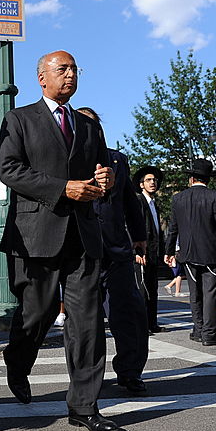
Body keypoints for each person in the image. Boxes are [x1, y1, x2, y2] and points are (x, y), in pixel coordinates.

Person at [0, 50, 119, 431]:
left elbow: (103, 169)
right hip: (38, 235)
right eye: (61, 69)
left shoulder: (88, 126)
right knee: (38, 314)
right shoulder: (19, 119)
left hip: (83, 236)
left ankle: (84, 405)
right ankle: (17, 361)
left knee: (87, 322)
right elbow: (9, 169)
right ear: (42, 77)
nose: (70, 75)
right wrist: (62, 188)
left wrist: (106, 180)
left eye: (74, 69)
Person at [79, 107, 149, 394]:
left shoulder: (118, 160)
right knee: (87, 322)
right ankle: (89, 379)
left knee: (130, 313)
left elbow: (129, 202)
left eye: (93, 126)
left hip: (117, 249)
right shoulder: (67, 161)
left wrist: (139, 235)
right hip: (82, 252)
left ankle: (130, 371)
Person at [164, 158, 216, 346]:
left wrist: (168, 251)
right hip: (210, 253)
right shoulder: (215, 196)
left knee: (195, 294)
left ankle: (198, 329)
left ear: (191, 178)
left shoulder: (178, 198)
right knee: (211, 293)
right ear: (208, 179)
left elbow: (173, 228)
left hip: (186, 253)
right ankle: (209, 334)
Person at [134, 166, 167, 334]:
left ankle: (152, 323)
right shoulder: (138, 201)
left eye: (154, 180)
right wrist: (137, 252)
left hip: (154, 254)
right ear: (141, 184)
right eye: (148, 180)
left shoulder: (154, 203)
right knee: (142, 292)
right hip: (142, 254)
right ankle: (142, 326)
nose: (153, 182)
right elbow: (133, 227)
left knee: (152, 290)